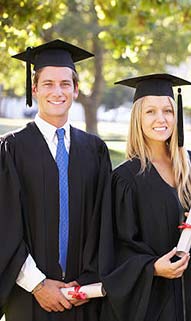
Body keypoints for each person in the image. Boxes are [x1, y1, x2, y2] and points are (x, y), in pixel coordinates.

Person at [0, 39, 111, 321]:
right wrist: (37, 284)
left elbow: (104, 222)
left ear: (75, 90)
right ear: (34, 89)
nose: (57, 91)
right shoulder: (10, 149)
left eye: (65, 83)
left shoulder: (95, 150)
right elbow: (4, 225)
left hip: (83, 298)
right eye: (48, 84)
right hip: (27, 297)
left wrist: (86, 281)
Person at [99, 74, 191, 321]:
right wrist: (151, 267)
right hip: (153, 303)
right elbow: (117, 246)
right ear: (137, 119)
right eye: (150, 112)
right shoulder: (126, 179)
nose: (161, 119)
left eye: (167, 111)